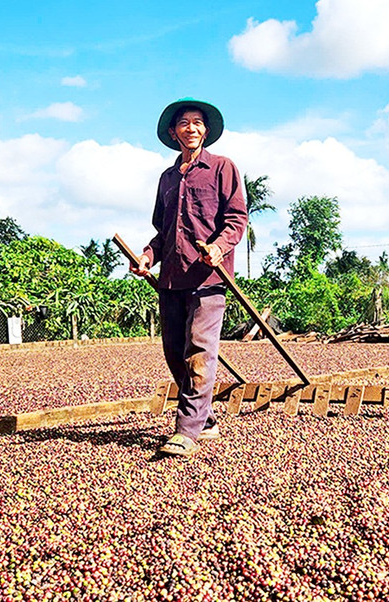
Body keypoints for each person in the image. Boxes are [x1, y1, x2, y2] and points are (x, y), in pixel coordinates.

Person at [131, 97, 248, 457]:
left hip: (208, 278)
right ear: (173, 132)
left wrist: (217, 247)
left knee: (199, 350)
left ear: (206, 130)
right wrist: (148, 256)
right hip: (172, 279)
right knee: (174, 353)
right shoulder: (167, 178)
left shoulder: (222, 168)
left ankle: (187, 431)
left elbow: (236, 220)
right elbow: (162, 231)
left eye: (197, 122)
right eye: (184, 123)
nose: (191, 128)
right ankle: (206, 418)